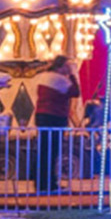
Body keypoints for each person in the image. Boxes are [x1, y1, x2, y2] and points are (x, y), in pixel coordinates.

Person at [34, 55, 80, 193]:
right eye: (66, 66)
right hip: (54, 116)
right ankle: (49, 184)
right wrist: (72, 74)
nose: (68, 69)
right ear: (60, 67)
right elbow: (75, 92)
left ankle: (41, 183)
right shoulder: (59, 79)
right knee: (52, 151)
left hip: (42, 116)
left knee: (44, 151)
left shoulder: (44, 77)